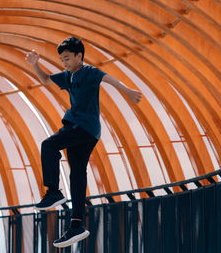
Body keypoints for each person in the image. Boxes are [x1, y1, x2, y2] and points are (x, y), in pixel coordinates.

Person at [25, 37, 142, 248]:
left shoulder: (89, 72)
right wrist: (35, 65)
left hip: (83, 127)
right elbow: (45, 80)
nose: (65, 63)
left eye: (68, 58)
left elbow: (110, 79)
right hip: (84, 131)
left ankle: (53, 191)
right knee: (77, 173)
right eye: (62, 59)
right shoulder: (68, 76)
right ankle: (77, 225)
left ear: (80, 55)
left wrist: (129, 92)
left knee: (49, 145)